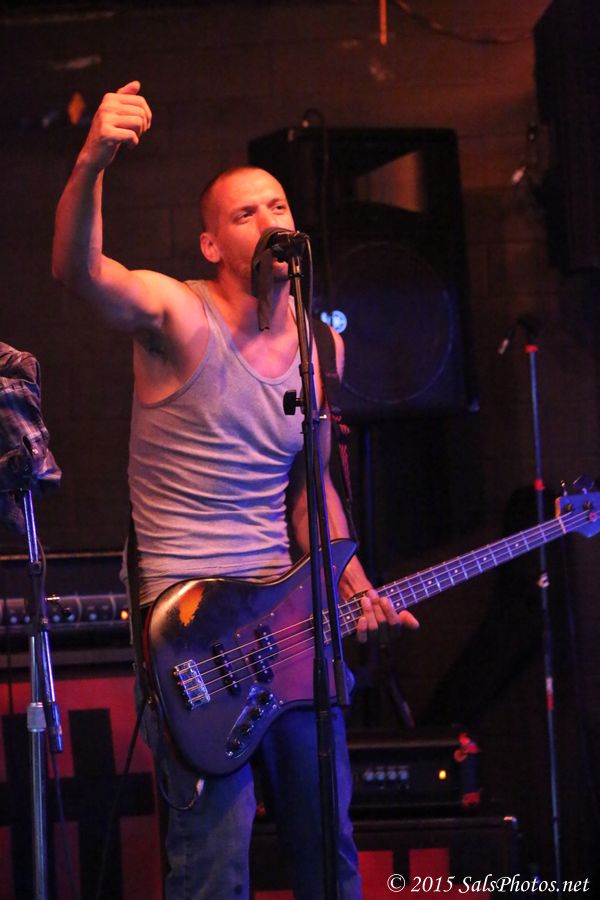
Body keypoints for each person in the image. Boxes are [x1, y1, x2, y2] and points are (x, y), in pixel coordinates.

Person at [52, 80, 418, 900]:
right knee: (216, 866)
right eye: (245, 213)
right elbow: (79, 272)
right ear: (212, 244)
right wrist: (93, 159)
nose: (269, 220)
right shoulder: (179, 315)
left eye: (277, 205)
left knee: (330, 852)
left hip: (287, 623)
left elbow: (311, 492)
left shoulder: (321, 347)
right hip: (193, 630)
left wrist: (357, 587)